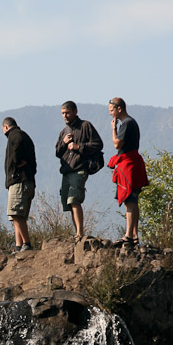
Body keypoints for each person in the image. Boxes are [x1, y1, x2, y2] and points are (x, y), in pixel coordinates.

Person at [55, 101, 103, 242]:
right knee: (69, 203)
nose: (65, 116)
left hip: (79, 169)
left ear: (75, 111)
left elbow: (98, 144)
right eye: (63, 113)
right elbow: (57, 152)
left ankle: (80, 233)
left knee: (74, 199)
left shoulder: (85, 126)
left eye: (67, 112)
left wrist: (78, 146)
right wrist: (64, 143)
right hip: (66, 171)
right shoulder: (64, 132)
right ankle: (77, 233)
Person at [108, 97, 149, 247]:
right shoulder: (130, 122)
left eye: (111, 110)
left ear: (119, 109)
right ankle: (134, 235)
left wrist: (113, 129)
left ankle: (128, 236)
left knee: (130, 201)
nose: (110, 114)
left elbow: (117, 144)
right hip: (132, 164)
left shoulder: (126, 123)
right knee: (132, 201)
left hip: (129, 166)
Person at [2, 116, 36, 251]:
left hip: (19, 181)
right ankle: (18, 246)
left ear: (5, 127)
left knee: (17, 213)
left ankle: (26, 244)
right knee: (15, 216)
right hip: (26, 180)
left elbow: (17, 148)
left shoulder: (15, 135)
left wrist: (16, 163)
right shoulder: (24, 136)